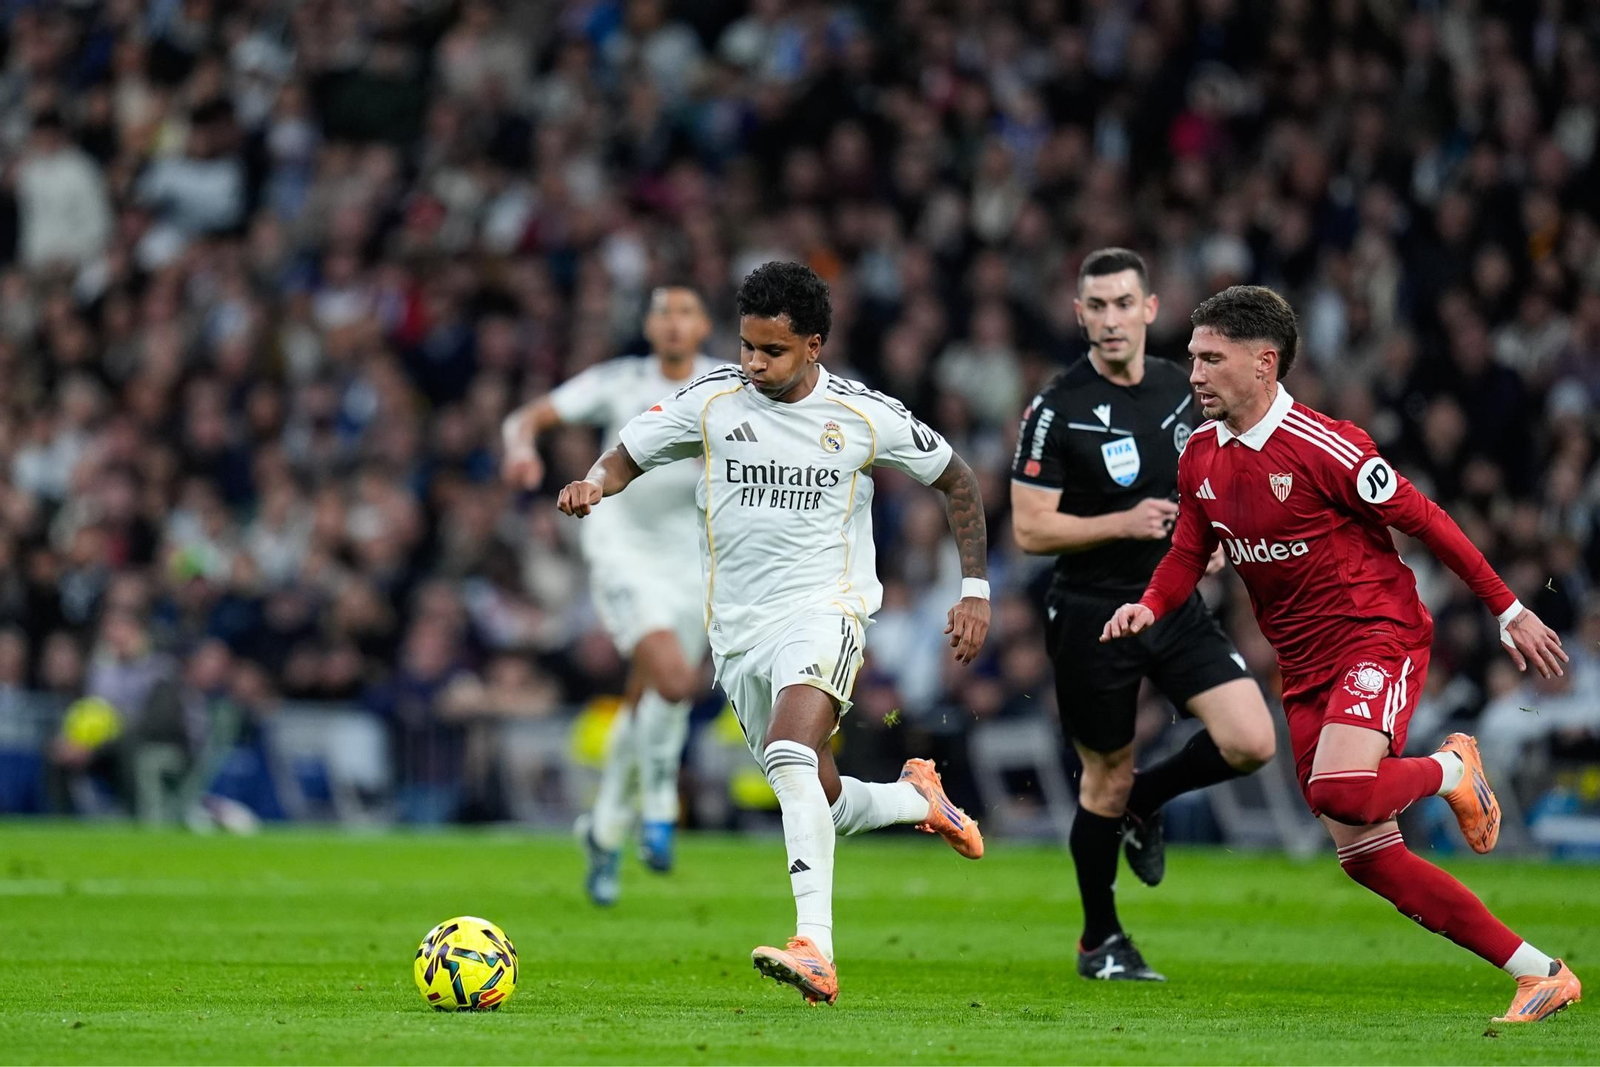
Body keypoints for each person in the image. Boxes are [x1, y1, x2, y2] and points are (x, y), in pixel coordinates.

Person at [1102, 285, 1581, 1023]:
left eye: (1209, 358)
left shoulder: (1329, 445)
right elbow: (1188, 550)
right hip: (1302, 667)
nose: (1192, 373)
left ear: (1264, 363)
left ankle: (1453, 767)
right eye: (1191, 357)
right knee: (1368, 858)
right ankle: (1539, 971)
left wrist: (1508, 608)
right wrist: (1151, 603)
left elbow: (1425, 518)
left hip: (1376, 633)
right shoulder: (1198, 454)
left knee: (1340, 789)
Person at [556, 261, 989, 1006]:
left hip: (829, 608)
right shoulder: (714, 400)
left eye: (773, 351)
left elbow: (959, 480)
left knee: (789, 755)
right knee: (815, 792)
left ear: (814, 344)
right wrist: (597, 481)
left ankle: (814, 946)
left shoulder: (863, 414)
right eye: (748, 346)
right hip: (737, 634)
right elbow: (630, 450)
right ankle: (921, 803)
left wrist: (974, 590)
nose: (754, 364)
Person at [1010, 249, 1275, 982]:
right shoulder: (1056, 406)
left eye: (1124, 303)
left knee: (1251, 737)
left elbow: (1219, 474)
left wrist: (1214, 538)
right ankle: (1101, 939)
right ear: (1079, 315)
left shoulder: (1179, 386)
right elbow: (1031, 528)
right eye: (1096, 306)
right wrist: (1124, 522)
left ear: (1150, 309)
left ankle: (1143, 804)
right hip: (1095, 610)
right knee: (1104, 776)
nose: (1111, 319)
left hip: (1174, 599)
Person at [502, 285, 716, 905]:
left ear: (703, 326)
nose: (673, 324)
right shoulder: (618, 379)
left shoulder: (726, 385)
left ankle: (601, 831)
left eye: (685, 313)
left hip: (692, 558)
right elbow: (525, 419)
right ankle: (657, 809)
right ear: (648, 326)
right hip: (620, 546)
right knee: (674, 683)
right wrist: (520, 451)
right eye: (662, 313)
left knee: (649, 693)